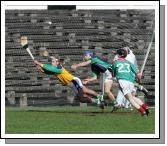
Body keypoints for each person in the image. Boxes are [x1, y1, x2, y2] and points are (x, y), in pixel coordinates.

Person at [33, 56, 104, 109]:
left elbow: (50, 68)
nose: (52, 63)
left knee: (82, 92)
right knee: (81, 99)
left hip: (74, 81)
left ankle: (98, 98)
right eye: (52, 61)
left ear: (57, 62)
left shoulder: (59, 67)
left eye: (53, 61)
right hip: (71, 84)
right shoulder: (54, 69)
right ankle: (97, 99)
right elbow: (48, 71)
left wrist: (39, 63)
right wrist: (41, 69)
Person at [112, 48, 149, 116]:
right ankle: (145, 107)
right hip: (130, 81)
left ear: (119, 55)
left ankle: (143, 112)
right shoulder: (129, 62)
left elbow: (113, 74)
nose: (116, 55)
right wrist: (139, 81)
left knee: (130, 99)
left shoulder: (115, 62)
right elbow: (138, 73)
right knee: (133, 97)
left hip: (123, 81)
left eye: (117, 54)